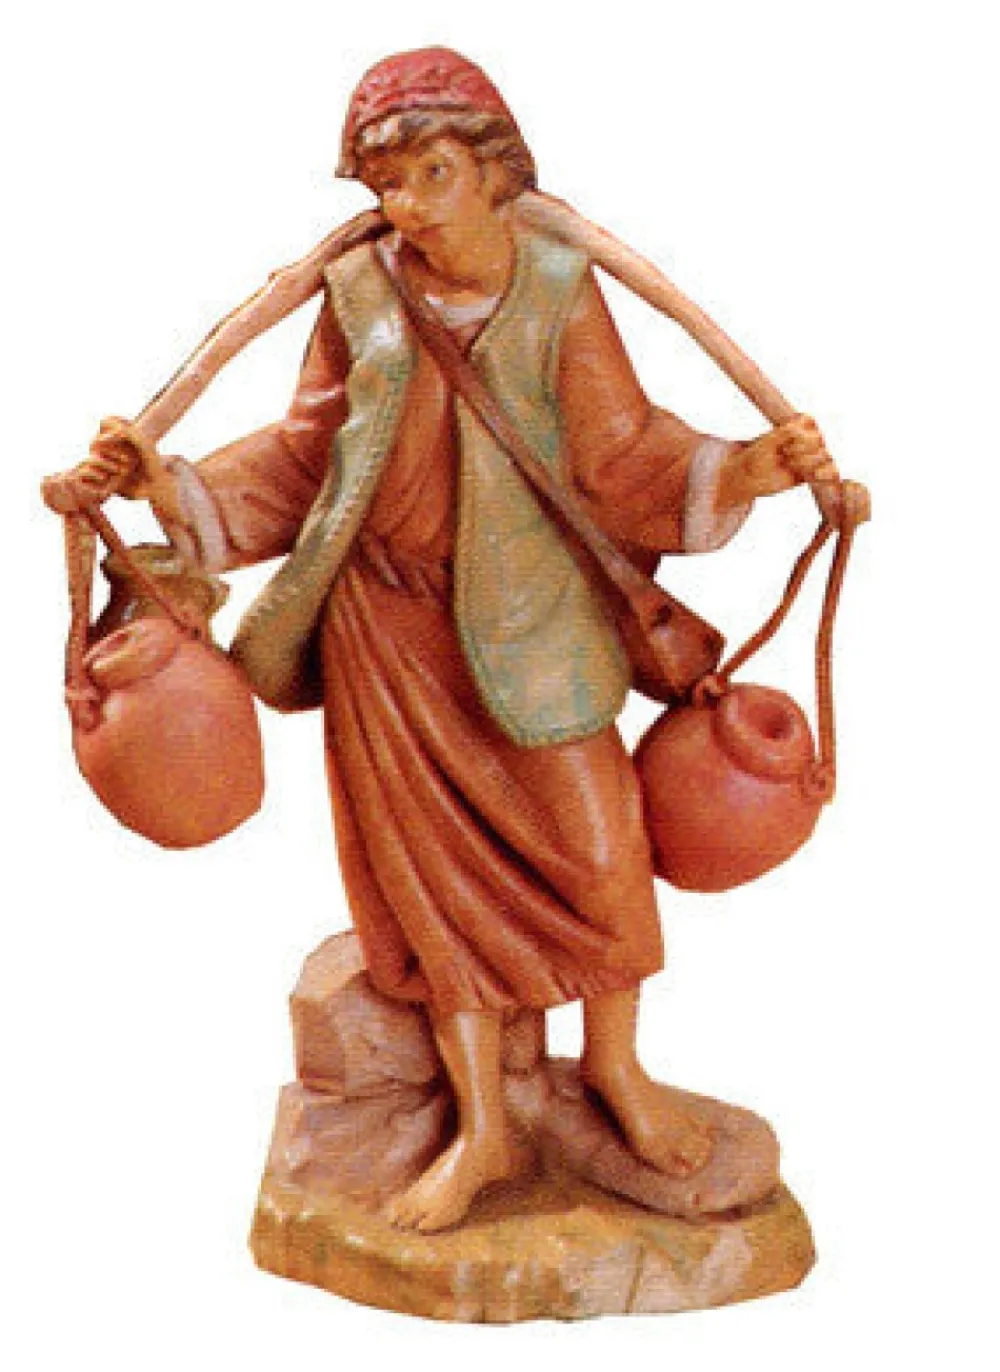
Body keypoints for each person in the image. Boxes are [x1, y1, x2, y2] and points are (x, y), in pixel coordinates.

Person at [83, 48, 838, 1233]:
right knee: (428, 888)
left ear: (495, 171)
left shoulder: (559, 288)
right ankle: (482, 1123)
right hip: (386, 632)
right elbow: (306, 456)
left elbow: (622, 451)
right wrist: (165, 485)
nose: (410, 206)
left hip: (538, 622)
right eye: (387, 184)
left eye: (432, 174)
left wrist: (744, 469)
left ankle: (616, 1069)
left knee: (599, 847)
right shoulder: (358, 296)